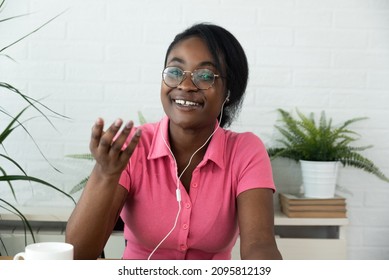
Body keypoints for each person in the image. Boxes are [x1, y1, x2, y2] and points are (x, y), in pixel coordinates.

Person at [65, 23, 282, 260]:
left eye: (205, 76)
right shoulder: (132, 146)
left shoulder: (245, 151)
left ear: (228, 91)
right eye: (175, 72)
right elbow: (78, 256)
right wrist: (105, 174)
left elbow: (260, 245)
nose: (186, 86)